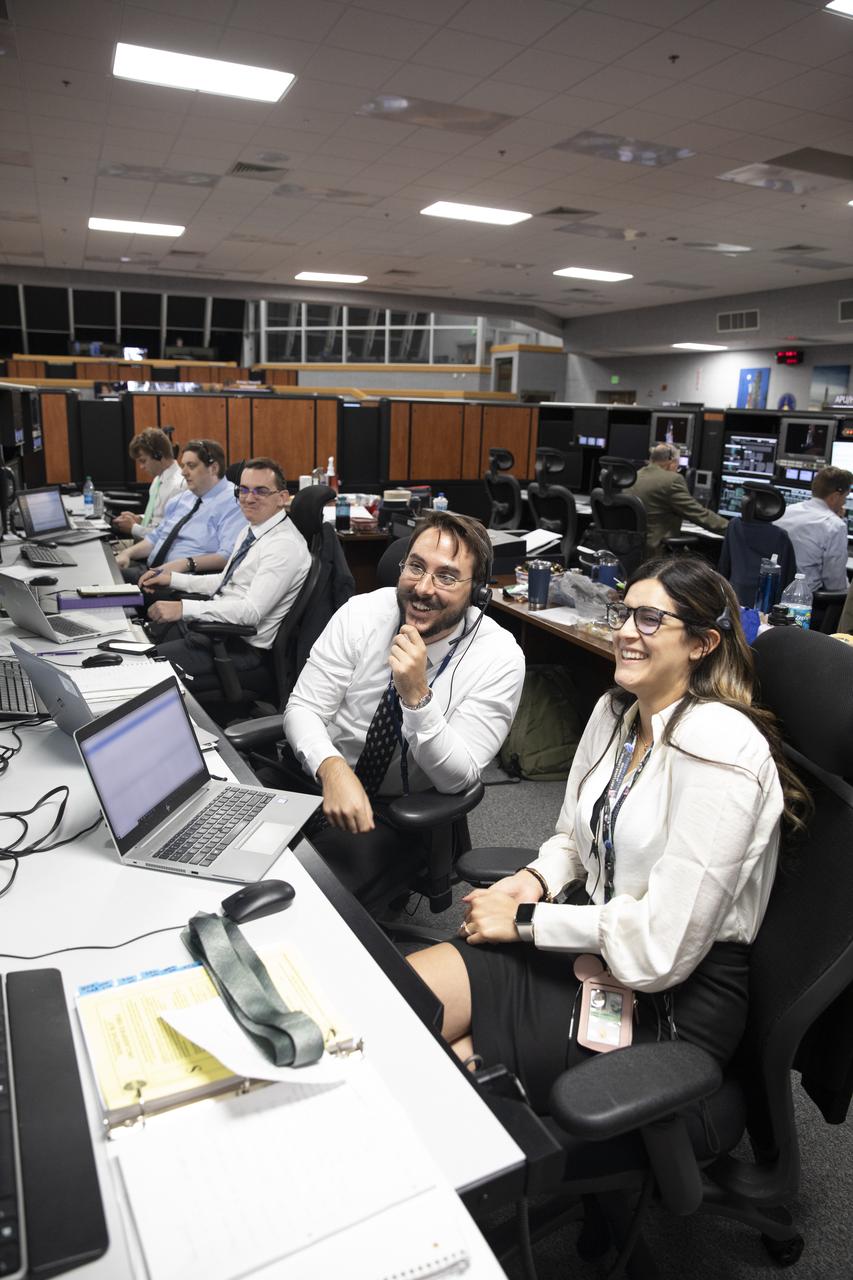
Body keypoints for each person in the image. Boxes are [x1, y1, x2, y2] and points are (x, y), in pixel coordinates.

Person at [409, 556, 810, 1113]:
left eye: (649, 619)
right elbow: (574, 838)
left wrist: (527, 921)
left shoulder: (723, 747)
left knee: (434, 1079)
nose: (624, 631)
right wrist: (531, 881)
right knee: (395, 1010)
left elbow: (661, 950)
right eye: (625, 614)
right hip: (586, 941)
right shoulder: (618, 710)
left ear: (702, 644)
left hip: (668, 999)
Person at [281, 511, 526, 909]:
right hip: (319, 775)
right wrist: (332, 768)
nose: (423, 588)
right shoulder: (360, 614)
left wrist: (416, 696)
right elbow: (304, 707)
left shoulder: (498, 657)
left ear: (477, 591)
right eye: (416, 567)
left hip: (393, 811)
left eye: (446, 576)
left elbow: (457, 777)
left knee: (304, 899)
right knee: (235, 848)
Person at [141, 459, 311, 691]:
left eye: (260, 491)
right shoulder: (253, 529)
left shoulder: (284, 546)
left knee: (143, 671)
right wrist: (173, 579)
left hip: (237, 648)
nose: (249, 498)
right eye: (243, 490)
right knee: (139, 648)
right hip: (215, 632)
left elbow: (250, 613)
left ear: (282, 498)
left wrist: (184, 608)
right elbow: (225, 581)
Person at [115, 439, 246, 585]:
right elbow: (155, 537)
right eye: (183, 465)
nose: (183, 472)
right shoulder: (183, 498)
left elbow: (228, 555)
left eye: (191, 466)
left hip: (184, 581)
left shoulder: (233, 502)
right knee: (108, 572)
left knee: (107, 583)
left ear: (213, 468)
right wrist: (127, 553)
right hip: (150, 570)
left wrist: (185, 563)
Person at [627, 443, 728, 557]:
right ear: (672, 462)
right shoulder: (672, 480)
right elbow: (699, 514)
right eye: (678, 466)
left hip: (631, 550)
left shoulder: (633, 477)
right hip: (658, 553)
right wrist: (733, 529)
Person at [774, 466, 852, 594]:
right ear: (835, 496)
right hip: (807, 601)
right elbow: (835, 584)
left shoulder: (786, 511)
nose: (844, 502)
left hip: (776, 592)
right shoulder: (835, 526)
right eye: (845, 497)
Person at [111, 428, 185, 541]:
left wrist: (133, 528)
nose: (141, 467)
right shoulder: (158, 480)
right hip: (146, 545)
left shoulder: (178, 486)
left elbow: (167, 535)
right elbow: (157, 519)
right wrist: (139, 519)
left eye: (143, 461)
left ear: (159, 455)